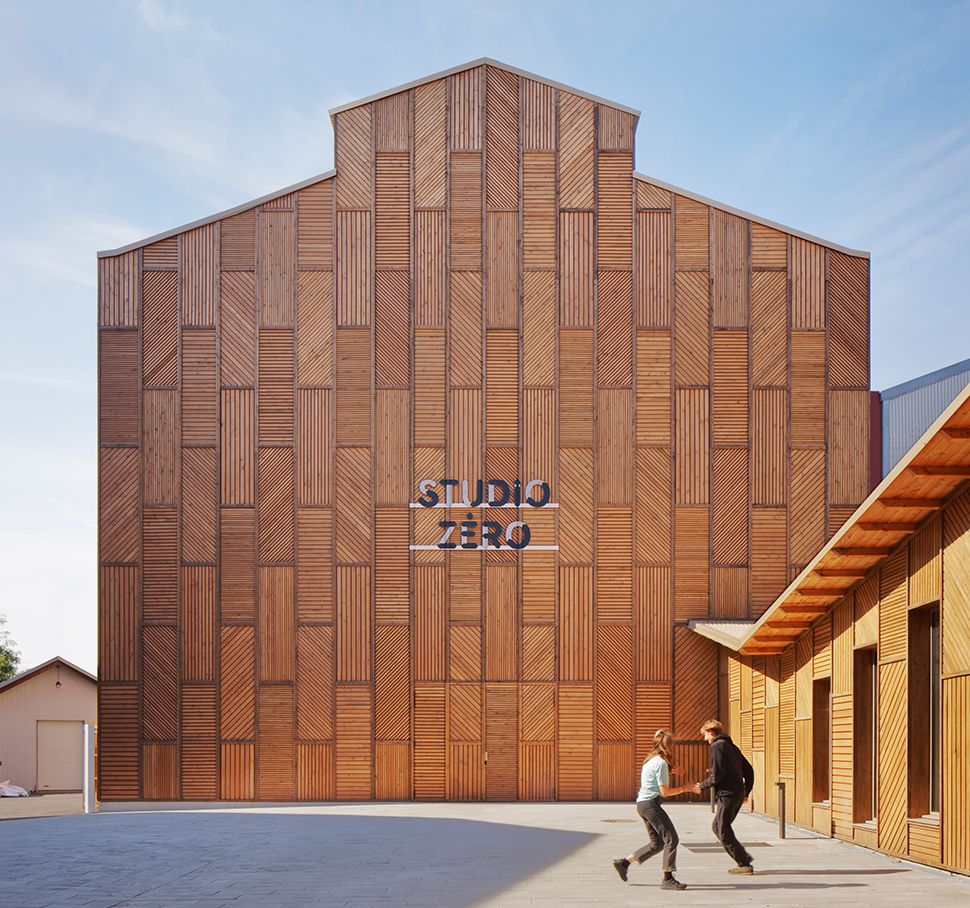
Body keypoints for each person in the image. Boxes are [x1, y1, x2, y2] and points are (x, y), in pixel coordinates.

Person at [612, 729, 691, 891]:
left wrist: (673, 771)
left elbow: (655, 776)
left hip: (642, 804)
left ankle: (624, 862)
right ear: (668, 746)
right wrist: (685, 788)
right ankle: (668, 879)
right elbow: (665, 792)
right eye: (671, 744)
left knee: (657, 844)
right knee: (672, 839)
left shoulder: (650, 760)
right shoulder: (661, 762)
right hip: (650, 804)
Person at [693, 719, 756, 874]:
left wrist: (702, 785)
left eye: (705, 735)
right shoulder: (732, 747)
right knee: (719, 827)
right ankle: (743, 856)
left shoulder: (717, 746)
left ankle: (744, 864)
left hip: (727, 794)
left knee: (722, 830)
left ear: (711, 733)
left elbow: (717, 774)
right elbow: (749, 770)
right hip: (737, 793)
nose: (705, 739)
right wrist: (746, 791)